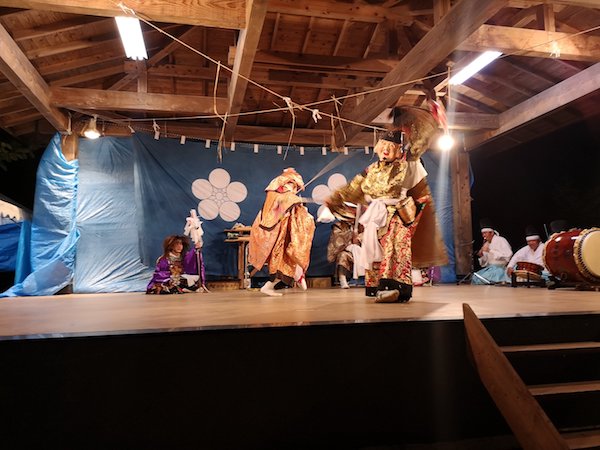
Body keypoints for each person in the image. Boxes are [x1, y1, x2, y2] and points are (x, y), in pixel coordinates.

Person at [319, 102, 448, 303]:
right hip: (375, 216)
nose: (386, 151)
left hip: (397, 214)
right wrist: (333, 200)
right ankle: (377, 286)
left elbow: (419, 142)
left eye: (391, 147)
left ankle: (395, 287)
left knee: (395, 247)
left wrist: (425, 121)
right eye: (383, 147)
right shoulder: (372, 170)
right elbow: (353, 187)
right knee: (374, 249)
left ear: (397, 148)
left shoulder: (407, 163)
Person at [248, 168, 316, 296]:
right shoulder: (278, 193)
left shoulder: (287, 197)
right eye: (292, 184)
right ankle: (274, 284)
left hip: (288, 231)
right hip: (279, 233)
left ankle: (298, 275)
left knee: (293, 252)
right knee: (282, 258)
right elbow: (281, 204)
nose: (293, 187)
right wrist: (292, 200)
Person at [327, 215, 364, 289]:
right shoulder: (339, 226)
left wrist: (359, 238)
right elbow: (337, 240)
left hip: (361, 249)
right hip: (346, 250)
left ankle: (363, 279)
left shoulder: (361, 224)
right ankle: (342, 278)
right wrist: (350, 235)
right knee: (342, 256)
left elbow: (367, 235)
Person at [472, 219, 513, 285]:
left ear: (491, 233)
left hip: (499, 269)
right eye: (482, 233)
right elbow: (485, 262)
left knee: (482, 280)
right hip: (490, 268)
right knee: (475, 277)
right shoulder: (486, 244)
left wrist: (490, 250)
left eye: (485, 233)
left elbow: (508, 255)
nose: (483, 235)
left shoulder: (501, 240)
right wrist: (481, 255)